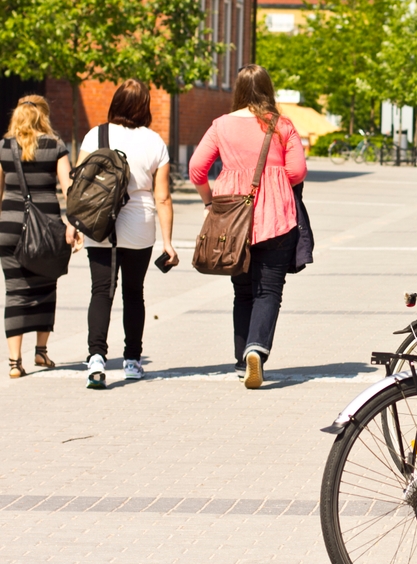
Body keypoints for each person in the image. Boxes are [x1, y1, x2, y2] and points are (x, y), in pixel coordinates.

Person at [189, 64, 307, 389]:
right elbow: (297, 171)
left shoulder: (220, 126)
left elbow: (197, 169)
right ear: (268, 89)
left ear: (238, 90)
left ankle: (243, 360)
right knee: (268, 290)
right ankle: (258, 348)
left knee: (241, 291)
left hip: (232, 220)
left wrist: (210, 202)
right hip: (276, 218)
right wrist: (273, 175)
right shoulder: (282, 125)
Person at [81, 80, 178, 388]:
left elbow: (79, 187)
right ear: (144, 107)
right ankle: (133, 361)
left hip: (100, 225)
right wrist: (168, 242)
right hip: (139, 226)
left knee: (101, 291)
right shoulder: (154, 142)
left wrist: (74, 224)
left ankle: (96, 358)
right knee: (133, 293)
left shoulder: (96, 134)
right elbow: (163, 197)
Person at [1, 96, 76, 378]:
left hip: (8, 229)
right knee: (46, 287)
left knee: (15, 292)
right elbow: (68, 189)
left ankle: (14, 362)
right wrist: (73, 223)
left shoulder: (4, 148)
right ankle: (41, 351)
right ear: (41, 117)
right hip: (46, 230)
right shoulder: (55, 146)